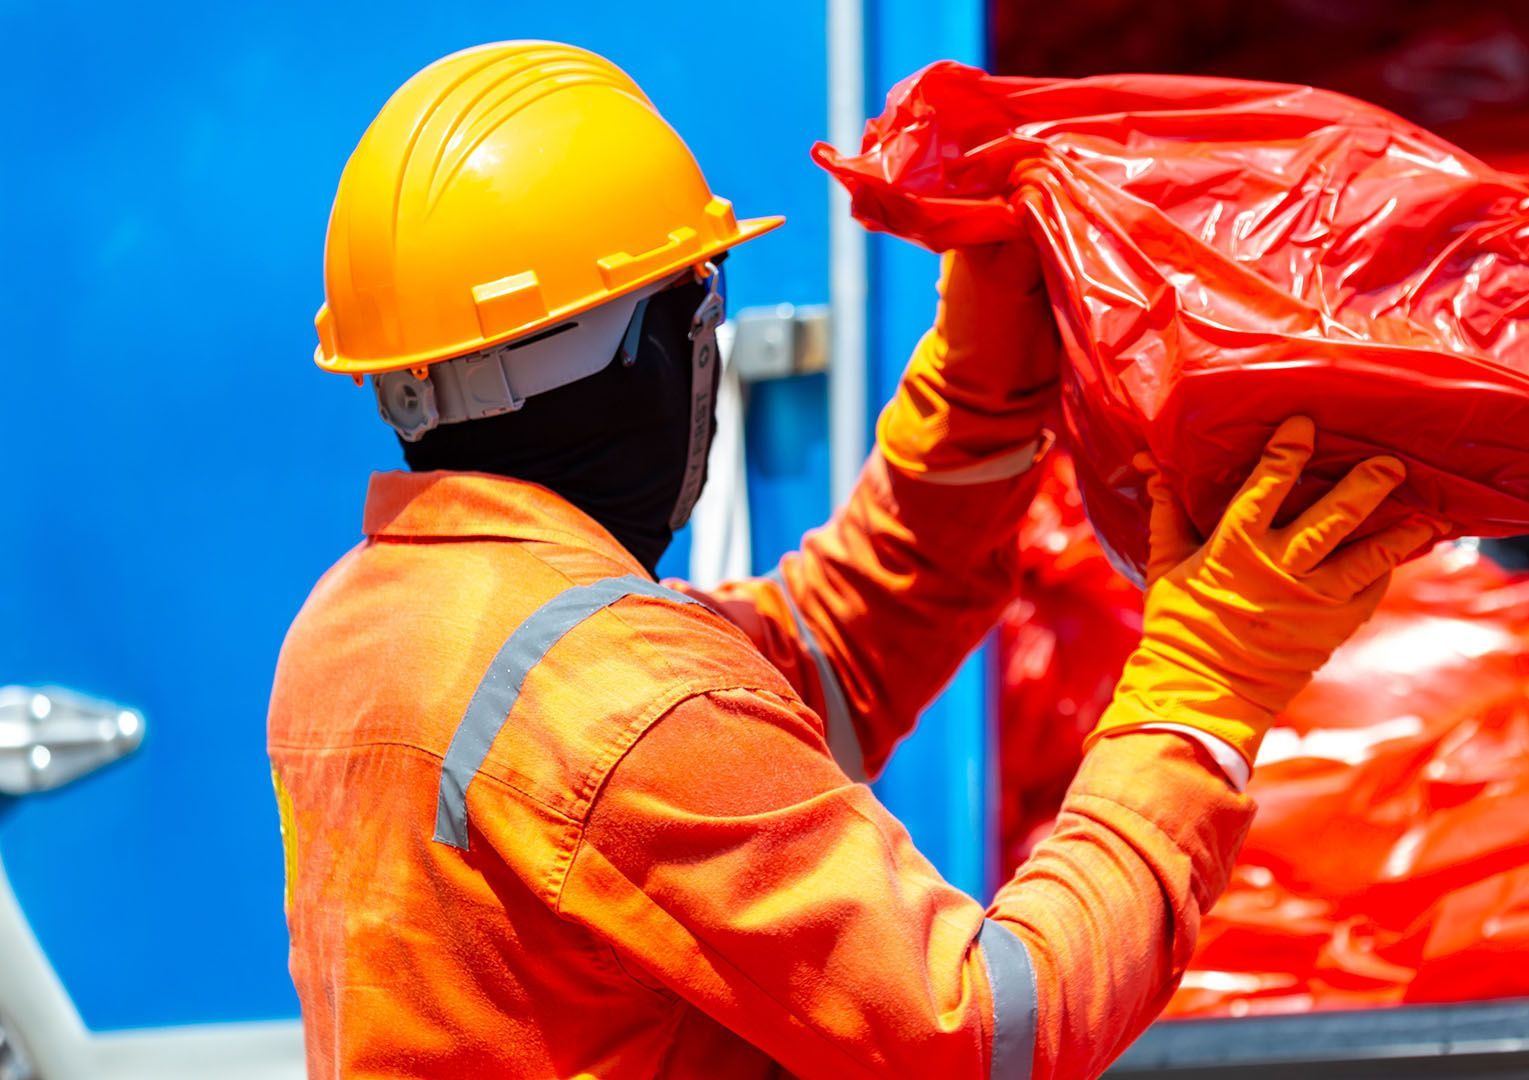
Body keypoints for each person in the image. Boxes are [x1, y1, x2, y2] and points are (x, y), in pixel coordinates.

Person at [267, 40, 1438, 1079]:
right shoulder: (622, 698)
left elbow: (819, 657)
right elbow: (994, 1028)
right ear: (659, 347)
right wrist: (1202, 703)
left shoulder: (373, 621)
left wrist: (978, 411)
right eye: (700, 311)